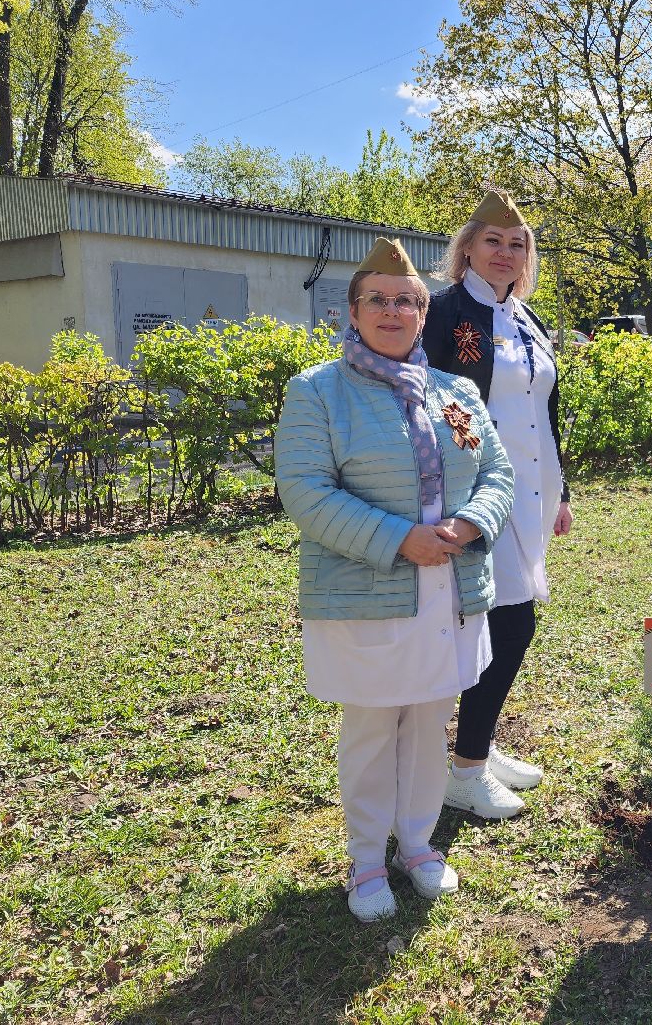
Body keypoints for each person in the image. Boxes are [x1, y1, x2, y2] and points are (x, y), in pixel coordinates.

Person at [275, 237, 514, 921]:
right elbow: (306, 492)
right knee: (374, 727)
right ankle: (364, 859)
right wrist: (398, 539)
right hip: (369, 589)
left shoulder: (454, 392)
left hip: (449, 590)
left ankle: (418, 845)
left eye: (407, 300)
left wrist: (469, 525)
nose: (394, 310)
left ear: (421, 311)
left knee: (431, 719)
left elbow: (497, 474)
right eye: (378, 299)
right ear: (352, 311)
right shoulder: (318, 391)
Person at [422, 188, 572, 819]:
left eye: (517, 244)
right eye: (493, 242)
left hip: (536, 491)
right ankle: (466, 768)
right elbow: (428, 403)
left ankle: (475, 742)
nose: (506, 253)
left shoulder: (526, 318)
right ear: (468, 248)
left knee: (498, 623)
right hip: (484, 492)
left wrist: (563, 490)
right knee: (510, 626)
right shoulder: (445, 311)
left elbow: (543, 410)